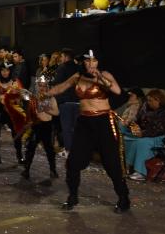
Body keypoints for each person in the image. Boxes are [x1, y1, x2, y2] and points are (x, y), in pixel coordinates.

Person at [46, 50, 130, 214]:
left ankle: (124, 198)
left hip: (104, 122)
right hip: (84, 122)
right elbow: (61, 87)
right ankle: (73, 197)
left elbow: (117, 91)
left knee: (112, 164)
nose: (91, 64)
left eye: (94, 61)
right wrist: (43, 93)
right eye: (88, 61)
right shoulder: (77, 77)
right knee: (73, 163)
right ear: (83, 62)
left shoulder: (104, 74)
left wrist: (99, 77)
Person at [123, 89, 165, 181]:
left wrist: (143, 133)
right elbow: (137, 120)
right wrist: (133, 126)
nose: (148, 102)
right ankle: (127, 166)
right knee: (125, 138)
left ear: (158, 100)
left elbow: (160, 130)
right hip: (145, 133)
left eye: (150, 100)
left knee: (142, 142)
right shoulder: (145, 107)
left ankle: (140, 172)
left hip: (160, 137)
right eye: (147, 100)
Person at [22, 75, 59, 180]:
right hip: (36, 126)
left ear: (47, 86)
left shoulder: (51, 98)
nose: (42, 88)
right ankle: (26, 170)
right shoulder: (34, 98)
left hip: (47, 126)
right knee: (31, 147)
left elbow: (57, 112)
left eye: (44, 86)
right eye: (40, 85)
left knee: (49, 150)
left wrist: (46, 109)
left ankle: (53, 170)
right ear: (37, 86)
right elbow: (29, 112)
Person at [0, 62, 24, 165]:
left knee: (16, 135)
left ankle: (20, 156)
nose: (5, 72)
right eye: (3, 70)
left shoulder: (15, 82)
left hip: (12, 112)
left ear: (10, 71)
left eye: (7, 70)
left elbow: (21, 97)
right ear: (0, 71)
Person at [52, 48, 79, 156]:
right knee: (76, 128)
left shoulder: (62, 68)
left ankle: (69, 150)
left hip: (66, 102)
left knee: (66, 128)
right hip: (78, 101)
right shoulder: (78, 68)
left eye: (62, 56)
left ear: (66, 57)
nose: (61, 59)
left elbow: (57, 83)